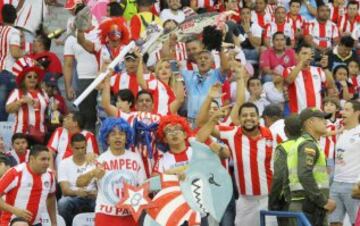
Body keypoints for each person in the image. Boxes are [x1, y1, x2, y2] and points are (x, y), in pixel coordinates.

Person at [203, 102, 276, 226]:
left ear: (259, 118)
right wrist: (214, 116)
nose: (248, 118)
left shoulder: (272, 135)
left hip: (268, 199)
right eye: (244, 115)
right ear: (239, 119)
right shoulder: (232, 133)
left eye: (252, 115)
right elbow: (203, 127)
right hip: (245, 201)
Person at [76, 117, 146, 226]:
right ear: (107, 139)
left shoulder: (136, 158)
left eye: (121, 134)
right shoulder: (99, 160)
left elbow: (144, 185)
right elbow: (79, 183)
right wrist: (93, 173)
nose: (117, 137)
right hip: (105, 215)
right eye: (113, 134)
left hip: (130, 214)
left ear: (126, 137)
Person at [287, 108, 336, 226]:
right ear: (310, 122)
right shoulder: (308, 144)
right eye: (321, 119)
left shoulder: (301, 142)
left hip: (303, 203)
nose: (326, 123)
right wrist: (323, 201)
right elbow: (304, 174)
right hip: (309, 206)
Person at [0, 145, 57, 226]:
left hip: (36, 223)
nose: (47, 163)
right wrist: (14, 210)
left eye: (48, 159)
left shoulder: (50, 175)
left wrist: (54, 223)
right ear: (32, 159)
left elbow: (51, 198)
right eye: (43, 159)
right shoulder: (15, 173)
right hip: (11, 222)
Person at [329, 100, 360, 226]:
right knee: (334, 222)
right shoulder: (341, 132)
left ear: (357, 113)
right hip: (336, 184)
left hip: (353, 185)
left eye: (347, 110)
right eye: (343, 109)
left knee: (355, 222)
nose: (342, 112)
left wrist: (359, 182)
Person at [268, 115, 302, 226]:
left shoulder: (283, 148)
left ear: (285, 131)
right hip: (311, 198)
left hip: (289, 200)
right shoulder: (313, 144)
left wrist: (273, 201)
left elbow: (278, 177)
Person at [5, 57, 48, 144]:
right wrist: (20, 101)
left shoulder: (43, 93)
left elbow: (48, 111)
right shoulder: (17, 92)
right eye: (29, 76)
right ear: (23, 79)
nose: (33, 79)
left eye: (35, 77)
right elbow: (8, 109)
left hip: (40, 134)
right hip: (21, 135)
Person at [58, 133, 96, 226]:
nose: (80, 151)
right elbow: (65, 190)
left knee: (102, 202)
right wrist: (77, 192)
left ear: (86, 146)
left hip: (91, 197)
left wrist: (96, 194)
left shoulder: (94, 161)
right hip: (73, 197)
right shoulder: (64, 163)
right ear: (71, 147)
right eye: (77, 148)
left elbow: (102, 186)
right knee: (63, 203)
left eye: (83, 148)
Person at [284, 44, 335, 113]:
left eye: (309, 54)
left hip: (316, 113)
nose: (308, 56)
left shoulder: (318, 70)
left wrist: (325, 68)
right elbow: (289, 80)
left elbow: (331, 86)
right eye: (304, 53)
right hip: (298, 114)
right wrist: (302, 62)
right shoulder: (289, 70)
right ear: (296, 55)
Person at [0, 4, 23, 121]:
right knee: (4, 109)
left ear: (2, 17)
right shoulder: (14, 32)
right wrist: (25, 53)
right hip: (7, 73)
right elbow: (15, 53)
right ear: (15, 17)